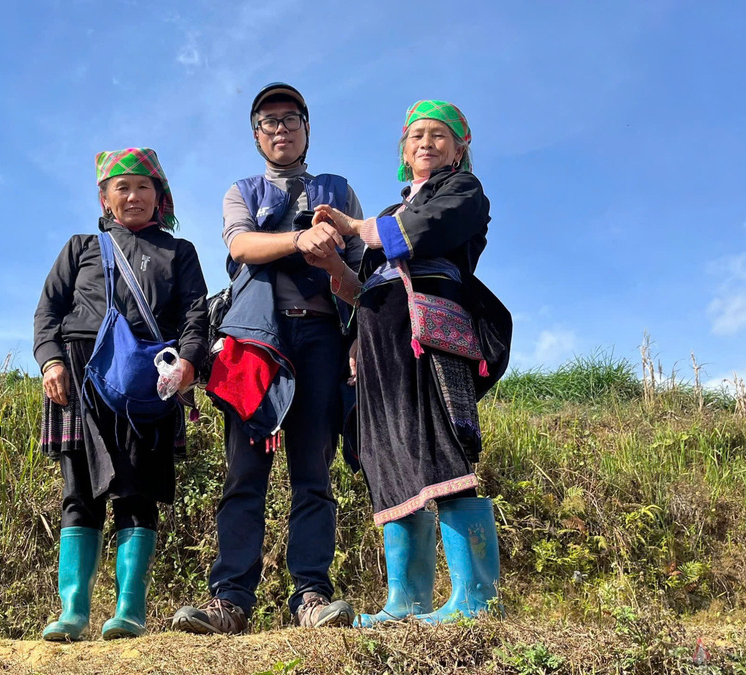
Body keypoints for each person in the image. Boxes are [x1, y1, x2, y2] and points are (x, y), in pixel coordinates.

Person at [171, 83, 364, 634]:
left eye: (290, 119)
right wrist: (301, 240)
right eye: (268, 121)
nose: (280, 129)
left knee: (312, 473)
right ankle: (231, 600)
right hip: (251, 345)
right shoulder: (242, 191)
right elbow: (241, 248)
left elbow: (355, 282)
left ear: (307, 128)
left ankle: (310, 596)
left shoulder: (339, 191)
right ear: (256, 135)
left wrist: (331, 264)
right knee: (244, 473)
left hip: (322, 339)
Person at [310, 100, 511, 625]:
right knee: (389, 457)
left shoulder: (464, 192)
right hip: (380, 342)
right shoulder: (391, 209)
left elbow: (419, 235)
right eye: (417, 134)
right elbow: (364, 288)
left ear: (459, 148)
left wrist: (355, 226)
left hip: (428, 335)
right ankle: (407, 601)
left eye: (439, 134)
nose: (427, 142)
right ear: (404, 149)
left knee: (441, 447)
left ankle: (476, 598)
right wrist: (333, 261)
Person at [33, 148, 209, 641]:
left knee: (138, 494)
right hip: (78, 376)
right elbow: (47, 312)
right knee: (79, 495)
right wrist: (50, 361)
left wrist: (190, 365)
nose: (133, 196)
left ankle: (130, 612)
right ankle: (74, 614)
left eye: (143, 187)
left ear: (159, 196)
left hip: (147, 385)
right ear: (105, 198)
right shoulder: (80, 246)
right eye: (122, 188)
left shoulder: (180, 252)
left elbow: (197, 317)